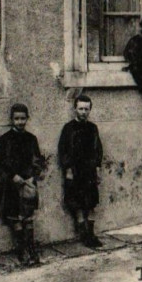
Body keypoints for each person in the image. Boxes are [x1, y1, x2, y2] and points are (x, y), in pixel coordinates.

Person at [0, 104, 44, 266]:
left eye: (23, 119)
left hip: (27, 183)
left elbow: (37, 160)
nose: (20, 122)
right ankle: (21, 249)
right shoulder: (5, 139)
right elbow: (0, 162)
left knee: (28, 217)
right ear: (11, 119)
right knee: (15, 217)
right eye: (17, 119)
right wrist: (12, 176)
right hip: (12, 184)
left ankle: (31, 248)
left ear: (27, 119)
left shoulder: (31, 139)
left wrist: (32, 176)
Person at [58, 94, 103, 248]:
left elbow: (98, 150)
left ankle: (91, 234)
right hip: (75, 171)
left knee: (90, 204)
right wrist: (68, 169)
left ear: (90, 110)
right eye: (81, 109)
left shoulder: (92, 128)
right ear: (75, 109)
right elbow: (62, 151)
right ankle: (83, 234)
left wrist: (97, 169)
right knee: (76, 204)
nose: (83, 112)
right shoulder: (68, 128)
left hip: (89, 171)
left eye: (86, 109)